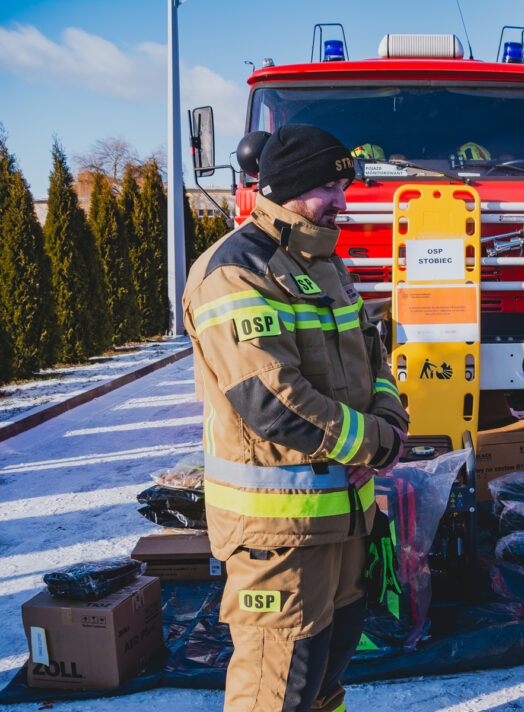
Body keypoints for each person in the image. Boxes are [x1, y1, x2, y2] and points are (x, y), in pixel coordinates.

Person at [183, 124, 409, 712]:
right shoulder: (235, 271)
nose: (342, 200)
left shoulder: (326, 264)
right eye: (327, 186)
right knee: (274, 691)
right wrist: (376, 446)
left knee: (323, 682)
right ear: (284, 188)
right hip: (278, 537)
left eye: (344, 185)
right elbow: (272, 401)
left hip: (342, 522)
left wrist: (389, 421)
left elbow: (374, 360)